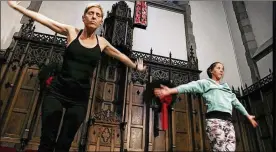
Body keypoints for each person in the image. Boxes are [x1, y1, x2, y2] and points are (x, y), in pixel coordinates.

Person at [7, 1, 146, 152]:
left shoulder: (102, 43)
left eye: (97, 15)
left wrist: (134, 66)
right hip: (57, 92)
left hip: (79, 99)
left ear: (101, 22)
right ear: (83, 17)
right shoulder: (72, 32)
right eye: (90, 13)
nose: (93, 17)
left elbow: (120, 56)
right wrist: (17, 7)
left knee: (64, 143)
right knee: (47, 139)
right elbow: (45, 20)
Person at [154, 62, 258, 151]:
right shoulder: (206, 83)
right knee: (220, 149)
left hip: (228, 122)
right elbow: (189, 87)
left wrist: (248, 115)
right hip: (215, 121)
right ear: (211, 71)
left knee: (231, 148)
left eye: (223, 69)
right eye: (218, 68)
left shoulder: (226, 89)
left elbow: (236, 103)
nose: (221, 70)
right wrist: (171, 91)